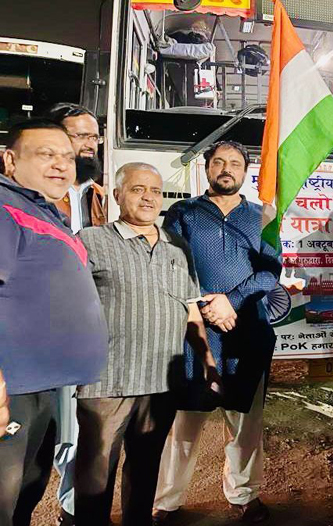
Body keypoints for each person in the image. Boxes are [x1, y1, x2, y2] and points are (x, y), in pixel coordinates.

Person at [73, 163, 219, 526]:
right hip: (106, 384)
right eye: (138, 189)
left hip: (161, 384)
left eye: (155, 191)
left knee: (145, 467)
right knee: (95, 474)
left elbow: (191, 310)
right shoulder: (91, 241)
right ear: (117, 195)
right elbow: (64, 305)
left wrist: (208, 364)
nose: (148, 197)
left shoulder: (177, 246)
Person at [154, 141, 282, 524]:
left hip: (247, 334)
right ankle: (167, 501)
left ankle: (244, 494)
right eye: (219, 162)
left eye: (235, 163)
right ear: (207, 167)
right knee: (184, 425)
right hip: (195, 334)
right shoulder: (185, 213)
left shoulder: (263, 217)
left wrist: (232, 299)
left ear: (246, 171)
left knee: (246, 424)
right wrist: (206, 305)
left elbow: (270, 270)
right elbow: (171, 265)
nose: (226, 168)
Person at [0, 119, 108, 526]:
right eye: (46, 155)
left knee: (25, 492)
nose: (61, 165)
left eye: (67, 157)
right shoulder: (4, 207)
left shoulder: (41, 211)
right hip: (13, 391)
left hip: (41, 389)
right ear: (10, 160)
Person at [46, 102, 108, 526]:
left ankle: (73, 510)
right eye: (79, 136)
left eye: (94, 136)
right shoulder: (33, 196)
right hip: (41, 331)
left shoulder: (99, 196)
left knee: (81, 427)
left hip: (88, 330)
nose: (90, 145)